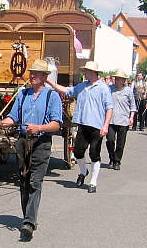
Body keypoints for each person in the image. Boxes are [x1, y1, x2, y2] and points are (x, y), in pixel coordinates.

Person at [0, 59, 62, 240]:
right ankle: (27, 218)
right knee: (23, 181)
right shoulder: (23, 94)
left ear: (45, 77)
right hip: (23, 141)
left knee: (35, 182)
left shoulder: (51, 96)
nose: (32, 76)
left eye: (36, 73)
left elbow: (56, 124)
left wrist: (39, 128)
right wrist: (0, 123)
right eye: (31, 73)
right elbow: (12, 118)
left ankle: (29, 222)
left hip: (41, 143)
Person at [46, 61, 113, 194]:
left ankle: (93, 182)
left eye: (87, 71)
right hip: (83, 124)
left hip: (97, 126)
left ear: (93, 72)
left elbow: (109, 107)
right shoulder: (82, 86)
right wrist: (51, 83)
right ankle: (83, 171)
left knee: (94, 153)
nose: (85, 73)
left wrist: (106, 125)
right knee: (78, 152)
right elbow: (66, 90)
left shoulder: (103, 88)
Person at [106, 69, 136, 170]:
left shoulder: (128, 91)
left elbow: (132, 105)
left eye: (120, 79)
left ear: (124, 80)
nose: (117, 80)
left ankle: (117, 161)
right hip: (111, 120)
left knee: (120, 143)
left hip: (123, 120)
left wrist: (131, 117)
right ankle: (111, 158)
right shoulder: (109, 88)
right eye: (116, 78)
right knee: (110, 140)